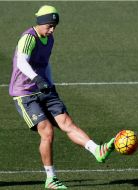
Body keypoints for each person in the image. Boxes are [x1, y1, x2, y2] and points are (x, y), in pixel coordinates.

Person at [9, 5, 115, 189]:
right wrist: (36, 79)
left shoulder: (49, 39)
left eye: (54, 26)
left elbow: (45, 63)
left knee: (67, 123)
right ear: (41, 23)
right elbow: (21, 62)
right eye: (49, 25)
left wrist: (50, 83)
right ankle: (51, 179)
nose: (52, 29)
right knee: (47, 131)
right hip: (25, 94)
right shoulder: (28, 38)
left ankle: (96, 150)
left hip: (45, 89)